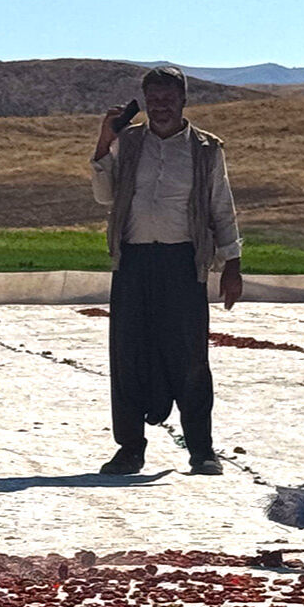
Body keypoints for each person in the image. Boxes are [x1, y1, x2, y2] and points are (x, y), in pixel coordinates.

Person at [90, 65, 243, 475]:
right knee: (127, 353)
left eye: (167, 99)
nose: (160, 107)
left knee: (189, 356)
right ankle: (130, 450)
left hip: (182, 263)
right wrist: (107, 138)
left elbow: (220, 207)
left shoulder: (206, 149)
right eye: (153, 100)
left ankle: (201, 450)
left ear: (183, 101)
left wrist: (232, 264)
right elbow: (105, 197)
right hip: (134, 261)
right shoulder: (130, 143)